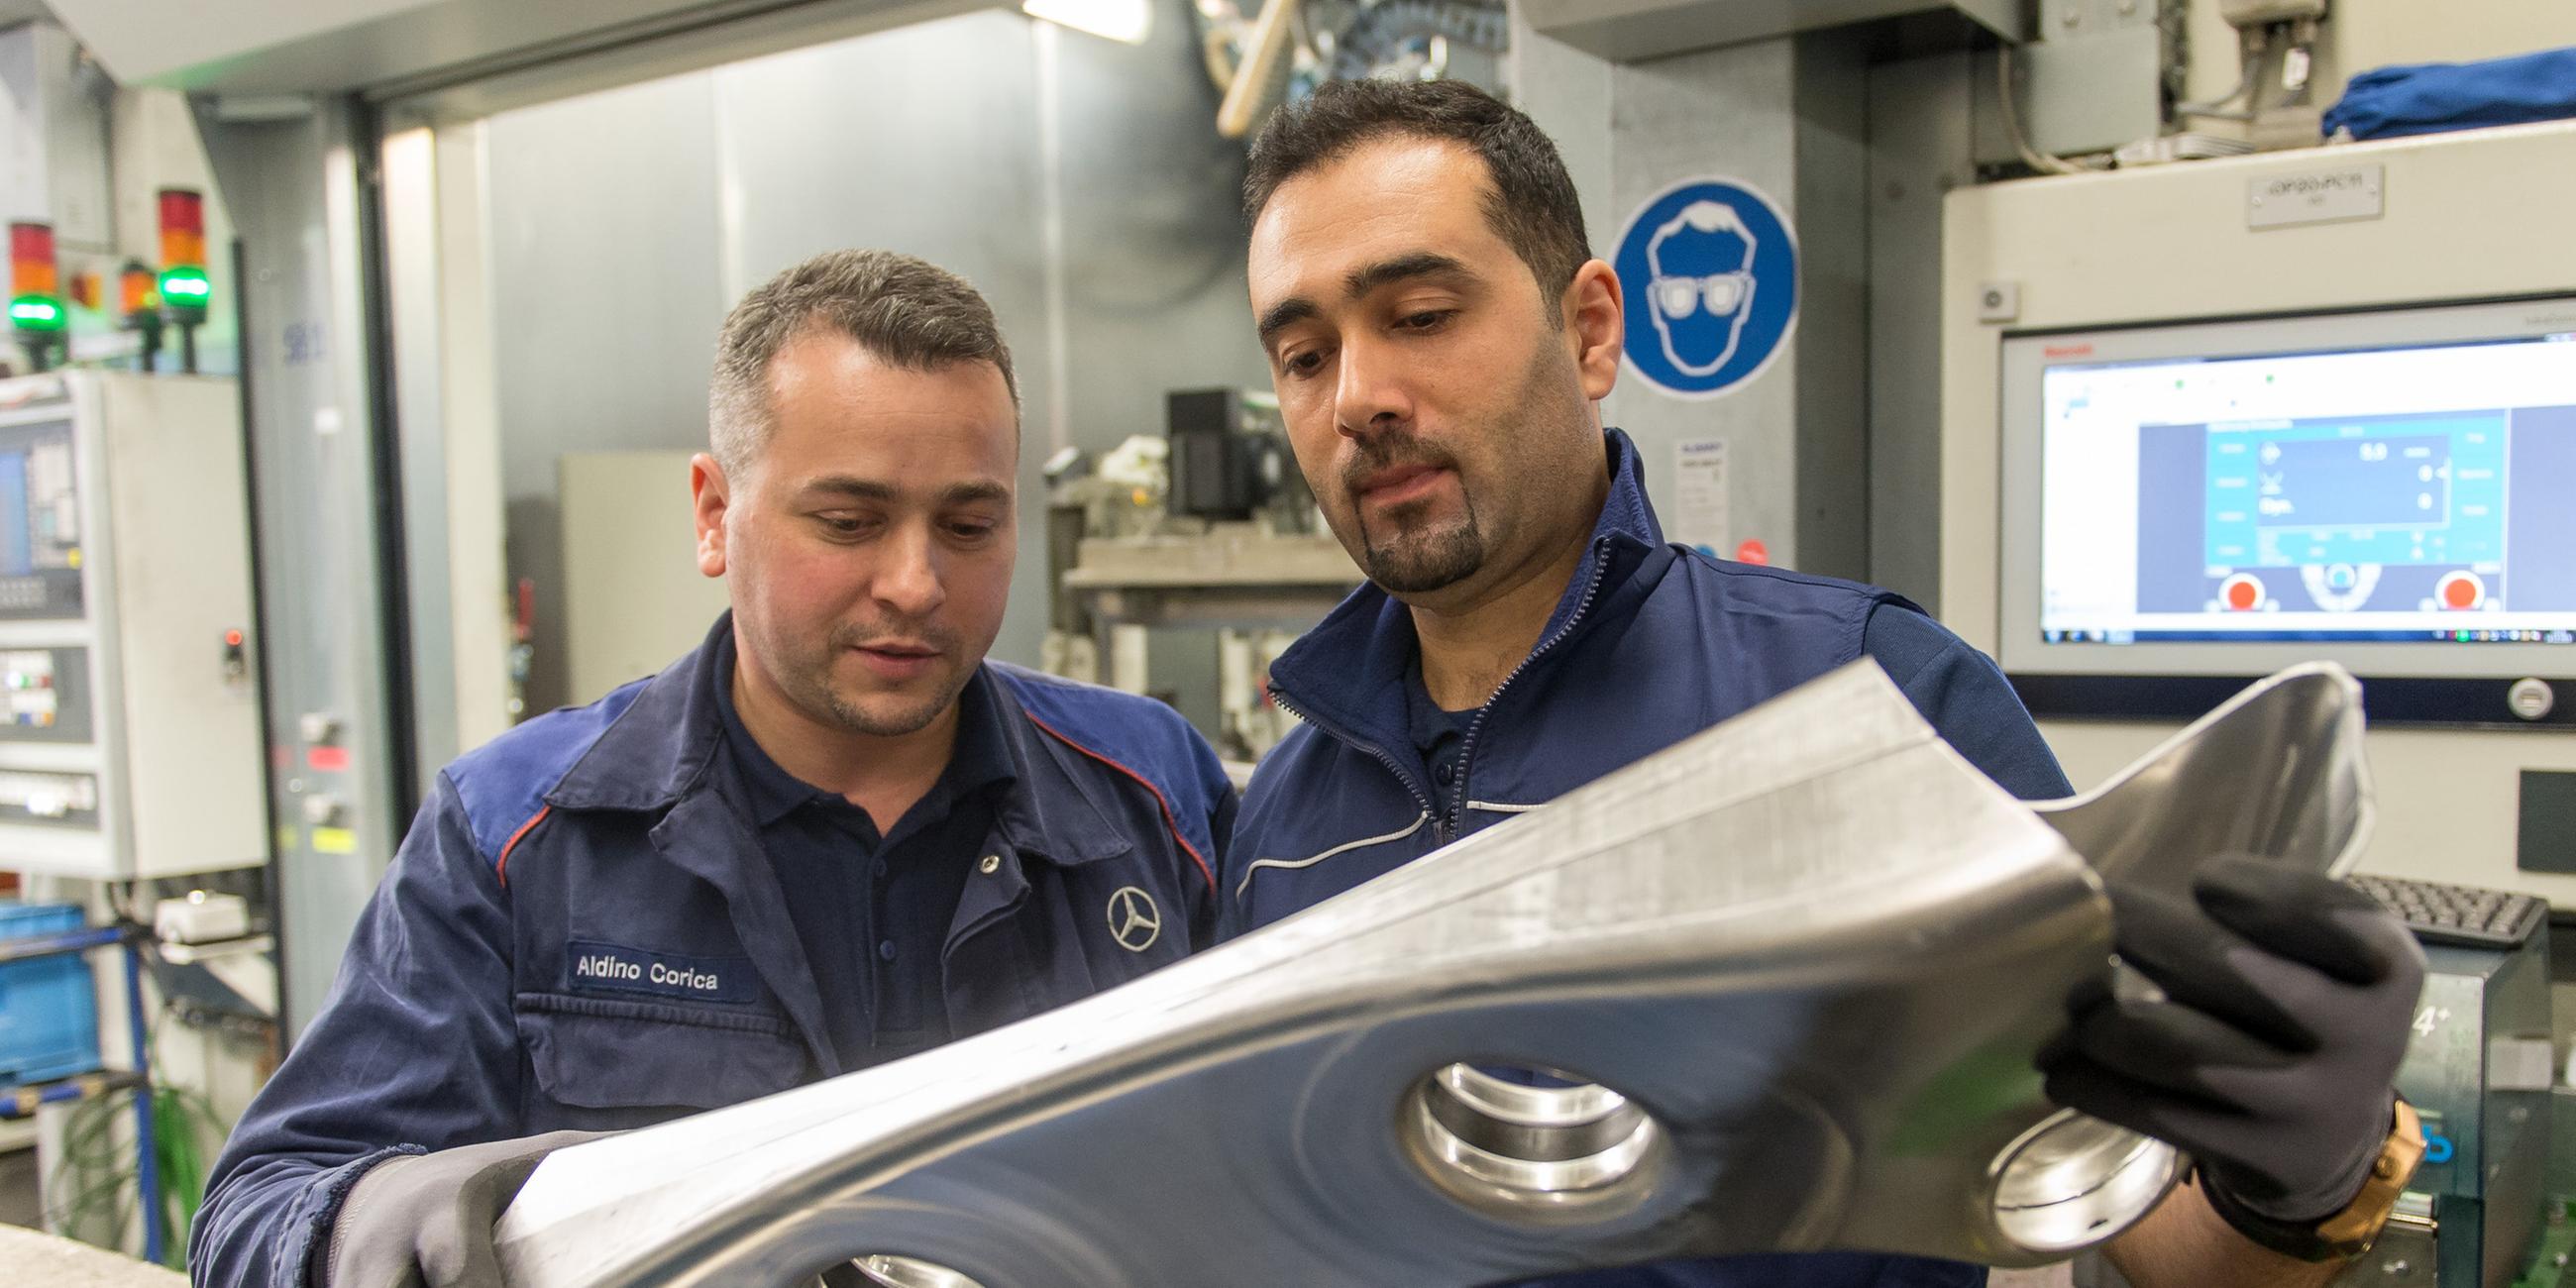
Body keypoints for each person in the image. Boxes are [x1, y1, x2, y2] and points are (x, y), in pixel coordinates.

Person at [1226, 79, 2423, 1288]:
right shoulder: (1283, 822)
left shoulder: (1869, 701)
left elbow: (2160, 1242)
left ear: (1588, 331)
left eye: (1421, 315)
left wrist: (2302, 1176)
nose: (1355, 400)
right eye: (1303, 354)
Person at [192, 250, 1234, 1288]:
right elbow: (257, 1209)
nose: (915, 583)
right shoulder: (519, 832)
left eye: (967, 525)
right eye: (848, 521)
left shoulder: (1152, 797)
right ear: (711, 513)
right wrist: (399, 1214)